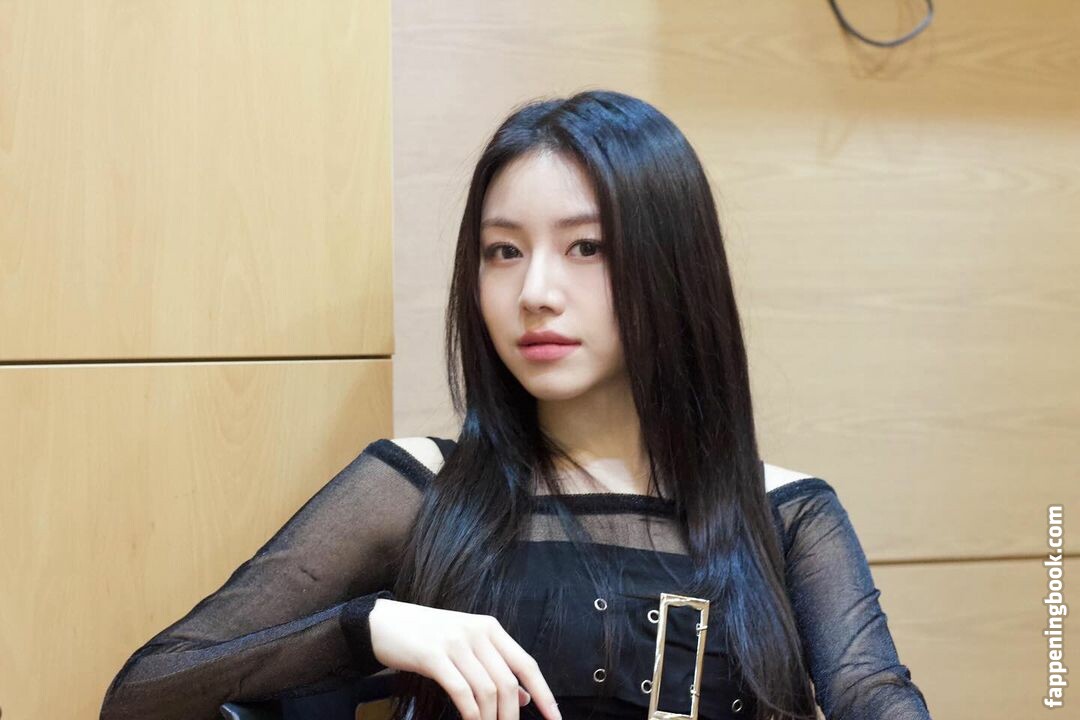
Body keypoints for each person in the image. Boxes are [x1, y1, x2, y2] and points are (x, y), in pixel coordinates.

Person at [99, 90, 932, 720]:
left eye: (586, 247)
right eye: (503, 251)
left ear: (673, 266)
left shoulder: (787, 515)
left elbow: (873, 696)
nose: (535, 291)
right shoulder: (414, 488)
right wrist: (368, 626)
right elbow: (142, 695)